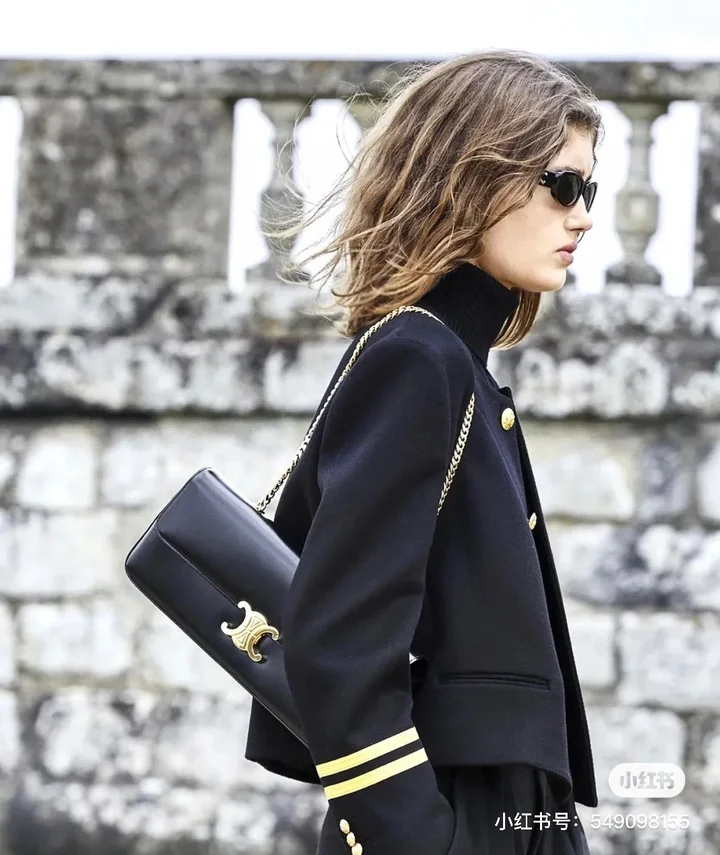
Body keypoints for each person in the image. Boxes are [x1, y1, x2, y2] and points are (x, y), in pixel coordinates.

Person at [244, 48, 603, 855]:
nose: (581, 215)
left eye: (589, 190)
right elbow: (340, 644)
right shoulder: (418, 358)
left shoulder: (459, 367)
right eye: (562, 185)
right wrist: (415, 837)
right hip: (455, 814)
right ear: (470, 177)